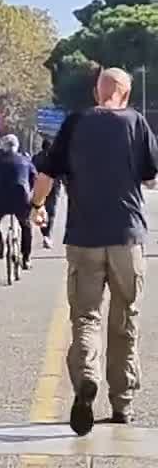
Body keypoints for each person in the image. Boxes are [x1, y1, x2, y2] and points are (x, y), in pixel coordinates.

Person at [32, 68, 158, 435]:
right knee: (125, 322)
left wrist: (36, 205)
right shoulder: (136, 123)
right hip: (127, 239)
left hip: (84, 238)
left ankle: (87, 377)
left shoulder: (75, 123)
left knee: (85, 317)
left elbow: (47, 174)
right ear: (126, 92)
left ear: (96, 91)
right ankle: (122, 404)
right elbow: (151, 175)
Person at [0, 134, 37, 269]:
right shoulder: (25, 160)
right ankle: (26, 259)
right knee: (26, 226)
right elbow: (34, 178)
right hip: (21, 198)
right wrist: (29, 192)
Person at [32, 138, 62, 248]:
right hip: (53, 187)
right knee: (51, 212)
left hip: (40, 187)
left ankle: (44, 234)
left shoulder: (36, 158)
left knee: (40, 210)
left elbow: (32, 171)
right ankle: (47, 235)